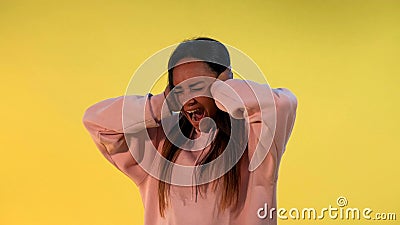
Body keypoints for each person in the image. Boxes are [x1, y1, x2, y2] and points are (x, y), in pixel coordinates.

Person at [82, 37, 298, 225]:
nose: (189, 98)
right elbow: (97, 121)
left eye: (198, 86)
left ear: (223, 79)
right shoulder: (160, 146)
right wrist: (162, 103)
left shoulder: (256, 141)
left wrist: (221, 90)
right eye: (180, 89)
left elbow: (281, 104)